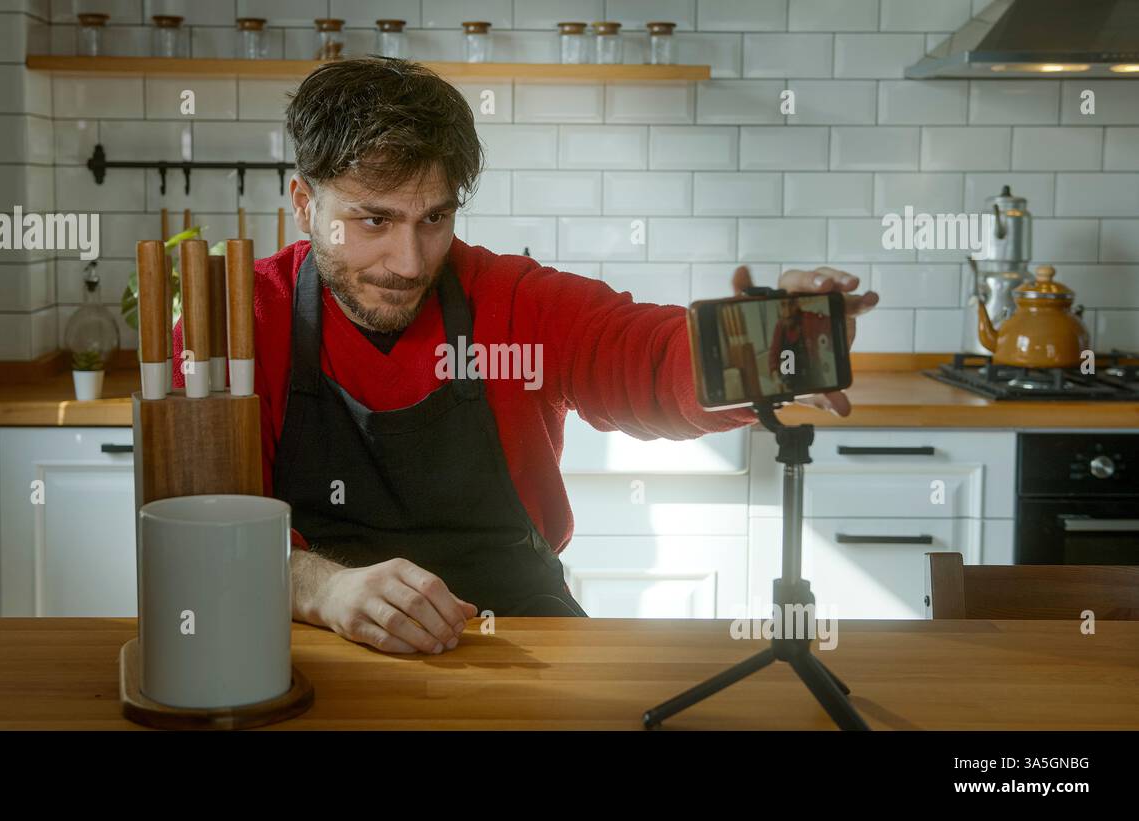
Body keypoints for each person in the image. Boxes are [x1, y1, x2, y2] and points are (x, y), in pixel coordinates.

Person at [171, 58, 879, 655]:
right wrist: (321, 587)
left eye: (435, 219)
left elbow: (645, 357)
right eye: (374, 220)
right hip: (308, 647)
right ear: (303, 202)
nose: (409, 261)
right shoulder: (236, 321)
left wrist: (774, 341)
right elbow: (199, 526)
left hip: (514, 637)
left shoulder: (513, 302)